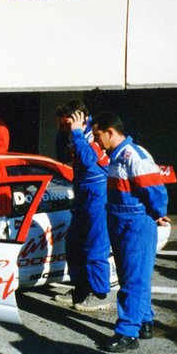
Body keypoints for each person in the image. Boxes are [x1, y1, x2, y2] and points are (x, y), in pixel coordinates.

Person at [90, 112, 170, 353]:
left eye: (98, 135)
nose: (96, 141)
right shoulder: (116, 156)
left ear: (110, 132)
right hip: (120, 218)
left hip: (136, 222)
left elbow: (155, 187)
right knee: (131, 276)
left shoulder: (134, 155)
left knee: (134, 278)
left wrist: (159, 212)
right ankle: (144, 320)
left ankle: (127, 332)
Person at [53, 101, 112, 312]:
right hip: (82, 193)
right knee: (74, 244)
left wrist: (77, 133)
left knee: (95, 246)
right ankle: (80, 289)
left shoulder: (93, 135)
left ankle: (100, 293)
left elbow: (87, 159)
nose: (65, 127)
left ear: (81, 119)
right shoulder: (75, 135)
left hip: (97, 195)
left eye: (68, 123)